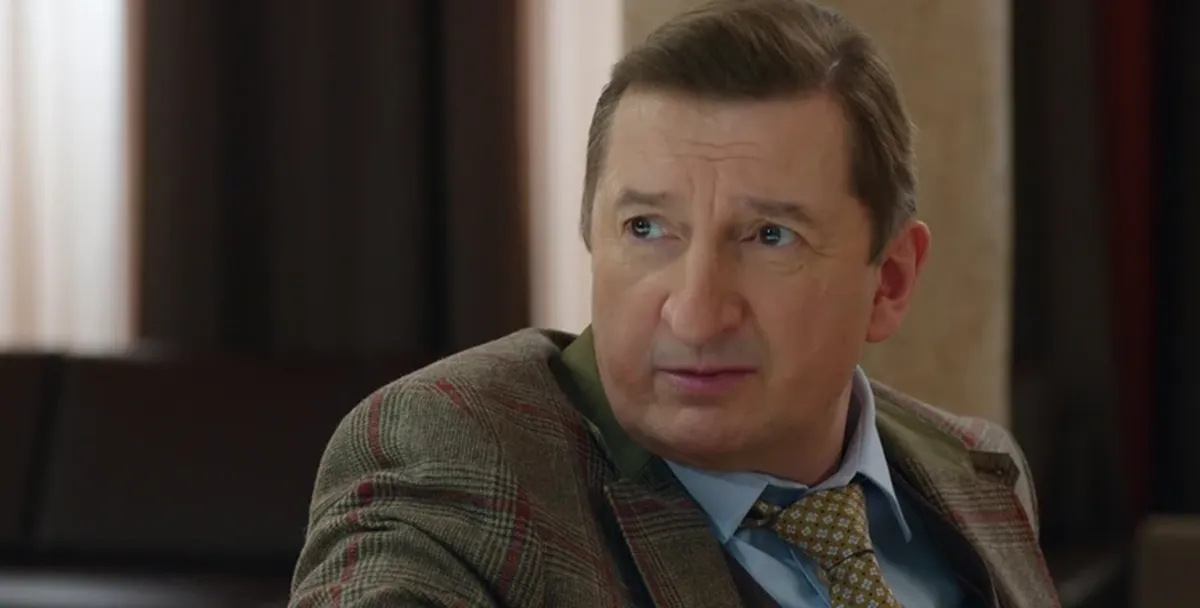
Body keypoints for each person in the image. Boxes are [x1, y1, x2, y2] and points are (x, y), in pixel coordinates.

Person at [289, 1, 1059, 606]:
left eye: (770, 236)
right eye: (647, 228)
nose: (694, 315)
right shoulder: (456, 453)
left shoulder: (979, 468)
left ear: (888, 281)